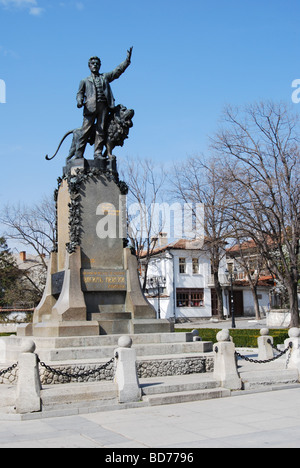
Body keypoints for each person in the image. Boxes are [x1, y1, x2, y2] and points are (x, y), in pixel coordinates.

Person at [75, 47, 133, 159]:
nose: (95, 65)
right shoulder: (84, 81)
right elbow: (79, 93)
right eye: (93, 63)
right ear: (89, 66)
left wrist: (127, 61)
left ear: (100, 65)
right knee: (85, 131)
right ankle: (78, 154)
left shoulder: (104, 77)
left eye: (97, 63)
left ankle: (98, 153)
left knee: (100, 130)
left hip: (104, 107)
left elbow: (117, 72)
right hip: (90, 107)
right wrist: (79, 101)